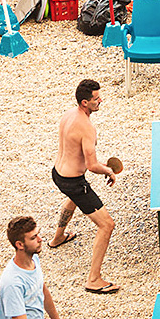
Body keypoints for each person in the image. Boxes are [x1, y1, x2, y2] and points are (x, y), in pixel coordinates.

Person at [50, 79, 119, 295]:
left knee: (72, 198)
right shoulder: (87, 127)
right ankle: (93, 279)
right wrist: (108, 171)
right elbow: (91, 166)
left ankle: (58, 238)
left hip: (58, 174)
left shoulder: (68, 115)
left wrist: (102, 165)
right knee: (107, 225)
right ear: (84, 102)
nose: (100, 101)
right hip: (74, 182)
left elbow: (75, 152)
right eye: (96, 99)